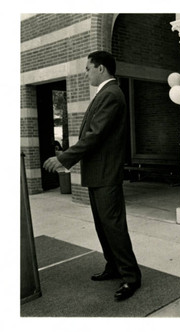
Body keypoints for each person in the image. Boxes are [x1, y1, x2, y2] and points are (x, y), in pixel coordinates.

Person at [43, 51, 142, 302]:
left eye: (88, 68)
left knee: (114, 227)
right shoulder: (105, 93)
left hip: (106, 174)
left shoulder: (111, 94)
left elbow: (94, 136)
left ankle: (131, 277)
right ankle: (114, 266)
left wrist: (64, 158)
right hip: (98, 174)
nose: (85, 73)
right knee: (103, 226)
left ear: (101, 68)